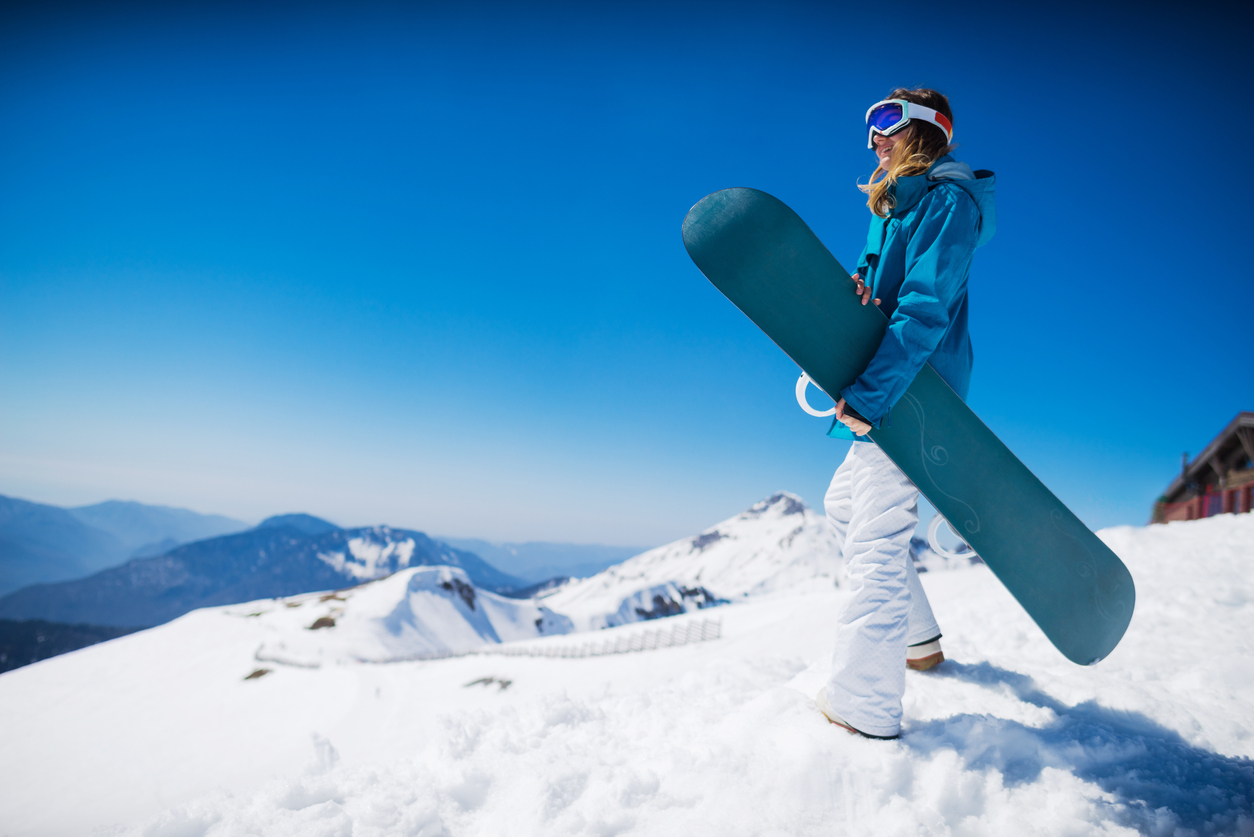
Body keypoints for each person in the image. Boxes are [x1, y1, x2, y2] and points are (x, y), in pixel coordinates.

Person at [814, 88, 996, 740]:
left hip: (915, 391)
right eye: (867, 123)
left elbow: (923, 310)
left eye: (885, 120)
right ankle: (918, 640)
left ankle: (863, 705)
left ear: (928, 128)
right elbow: (888, 299)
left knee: (875, 540)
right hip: (898, 384)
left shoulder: (949, 200)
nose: (873, 137)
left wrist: (869, 394)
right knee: (844, 506)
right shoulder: (896, 207)